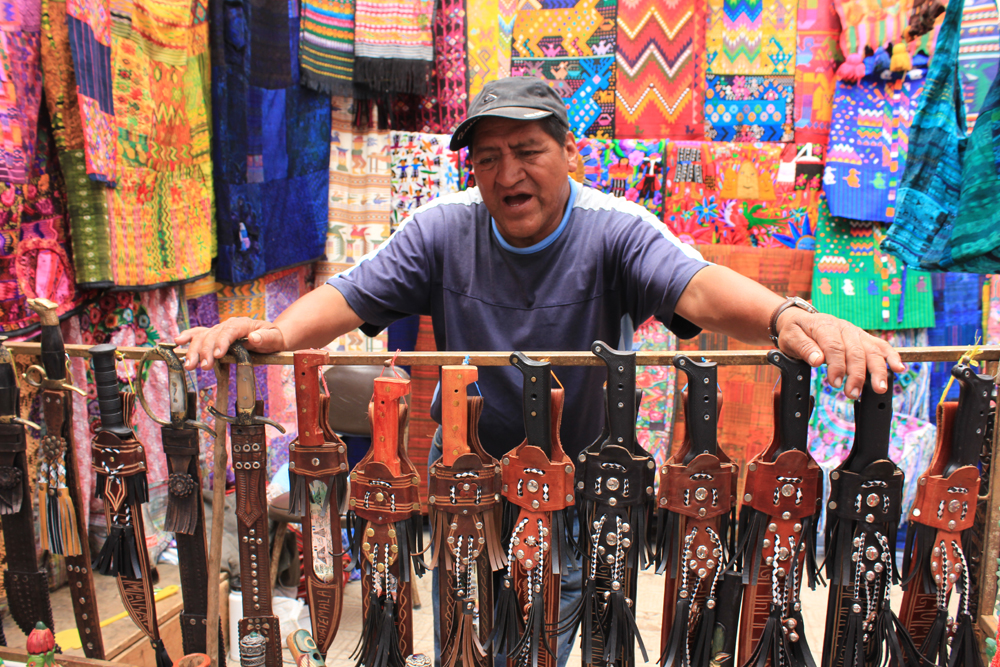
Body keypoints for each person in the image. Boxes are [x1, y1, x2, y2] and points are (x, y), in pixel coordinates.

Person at [178, 77, 904, 665]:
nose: (506, 173)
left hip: (578, 483)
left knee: (550, 636)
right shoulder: (443, 229)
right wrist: (271, 332)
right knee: (467, 629)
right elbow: (350, 294)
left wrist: (784, 317)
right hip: (465, 477)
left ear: (569, 152)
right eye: (487, 158)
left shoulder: (613, 228)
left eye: (526, 149)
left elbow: (698, 285)